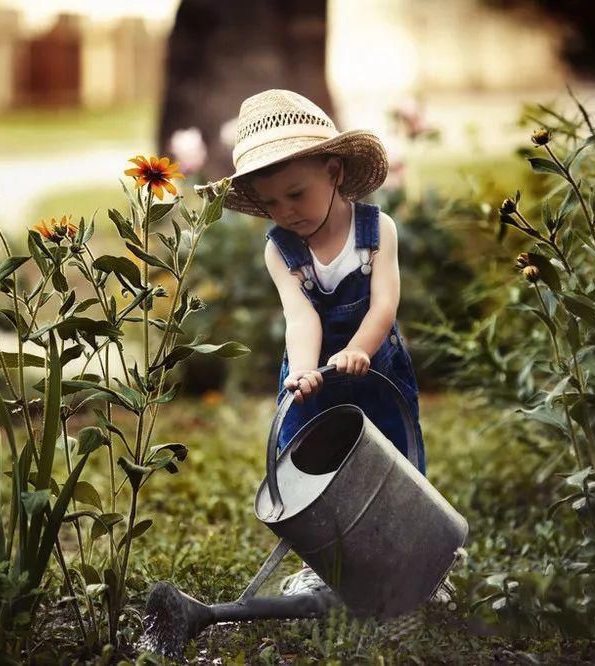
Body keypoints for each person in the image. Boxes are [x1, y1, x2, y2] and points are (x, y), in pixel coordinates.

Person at [210, 89, 441, 599]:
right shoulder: (281, 249)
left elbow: (384, 306)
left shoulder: (377, 231)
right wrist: (308, 370)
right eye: (270, 203)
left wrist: (359, 347)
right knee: (311, 460)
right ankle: (326, 563)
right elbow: (301, 315)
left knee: (394, 455)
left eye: (296, 194)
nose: (286, 212)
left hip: (374, 362)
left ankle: (417, 556)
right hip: (313, 369)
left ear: (333, 171)